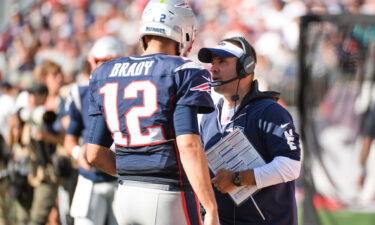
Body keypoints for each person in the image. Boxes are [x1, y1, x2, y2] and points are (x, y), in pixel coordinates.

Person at [86, 1, 220, 225]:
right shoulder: (184, 70)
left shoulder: (105, 72)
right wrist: (211, 206)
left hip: (125, 195)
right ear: (184, 33)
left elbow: (94, 154)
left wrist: (135, 171)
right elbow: (188, 145)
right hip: (168, 194)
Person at [198, 36, 302, 225]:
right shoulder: (208, 116)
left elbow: (290, 166)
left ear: (246, 67)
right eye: (213, 63)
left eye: (222, 62)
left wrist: (238, 179)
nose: (213, 68)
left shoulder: (270, 112)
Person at [64, 36, 124, 225]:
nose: (104, 67)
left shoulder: (132, 92)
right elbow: (69, 138)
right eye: (100, 62)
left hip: (123, 179)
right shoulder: (80, 93)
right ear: (92, 62)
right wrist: (77, 153)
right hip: (90, 177)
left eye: (110, 62)